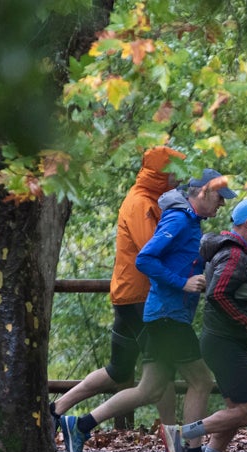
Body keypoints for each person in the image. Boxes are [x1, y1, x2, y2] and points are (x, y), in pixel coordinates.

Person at [58, 168, 237, 452]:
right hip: (167, 316)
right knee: (202, 380)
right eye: (220, 198)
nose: (222, 205)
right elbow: (145, 259)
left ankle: (81, 424)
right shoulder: (179, 219)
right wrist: (182, 283)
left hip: (166, 315)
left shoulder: (190, 221)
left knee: (149, 390)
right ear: (204, 192)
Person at [50, 146, 184, 433]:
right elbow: (152, 250)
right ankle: (174, 443)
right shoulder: (141, 203)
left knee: (118, 371)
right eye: (176, 171)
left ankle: (56, 409)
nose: (181, 177)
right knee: (162, 373)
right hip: (141, 298)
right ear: (162, 173)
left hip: (131, 296)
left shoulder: (152, 200)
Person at [158, 198, 247, 452]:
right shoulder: (234, 255)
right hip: (223, 344)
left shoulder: (231, 252)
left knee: (233, 412)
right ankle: (180, 434)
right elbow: (217, 294)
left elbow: (227, 294)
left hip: (224, 341)